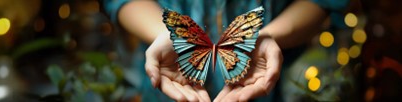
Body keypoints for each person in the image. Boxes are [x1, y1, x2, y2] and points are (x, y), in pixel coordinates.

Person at [102, 0, 348, 101]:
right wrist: (166, 34)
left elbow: (323, 1)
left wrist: (267, 36)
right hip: (169, 83)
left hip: (260, 89)